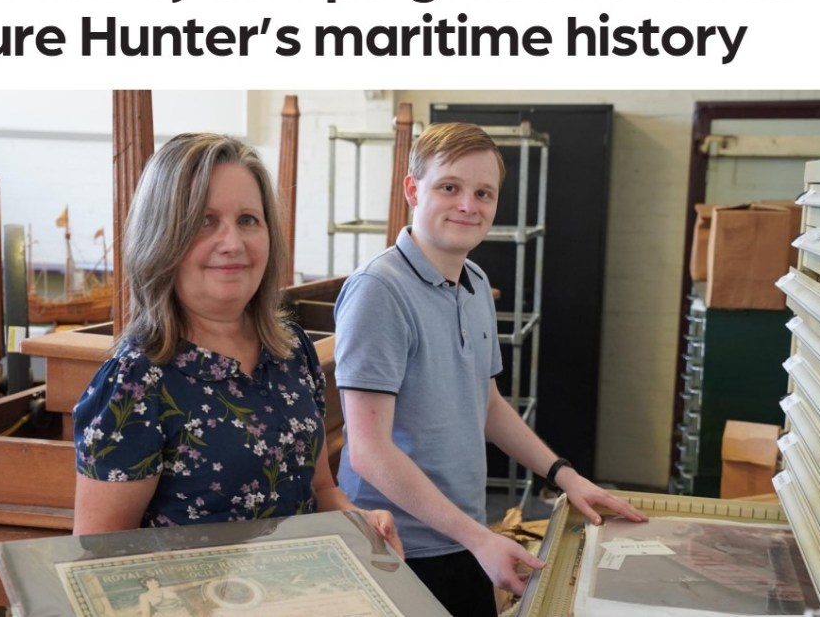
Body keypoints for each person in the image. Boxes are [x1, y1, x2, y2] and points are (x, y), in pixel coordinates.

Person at [334, 122, 647, 615]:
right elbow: (369, 453)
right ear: (413, 189)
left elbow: (487, 405)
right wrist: (478, 538)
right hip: (397, 547)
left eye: (484, 193)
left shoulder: (475, 281)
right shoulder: (380, 291)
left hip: (463, 534)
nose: (468, 205)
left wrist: (566, 476)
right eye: (450, 187)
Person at [72, 132, 402, 559]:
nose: (233, 243)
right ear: (162, 236)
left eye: (248, 220)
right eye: (204, 221)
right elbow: (101, 561)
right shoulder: (136, 380)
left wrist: (360, 523)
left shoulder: (291, 351)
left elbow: (319, 488)